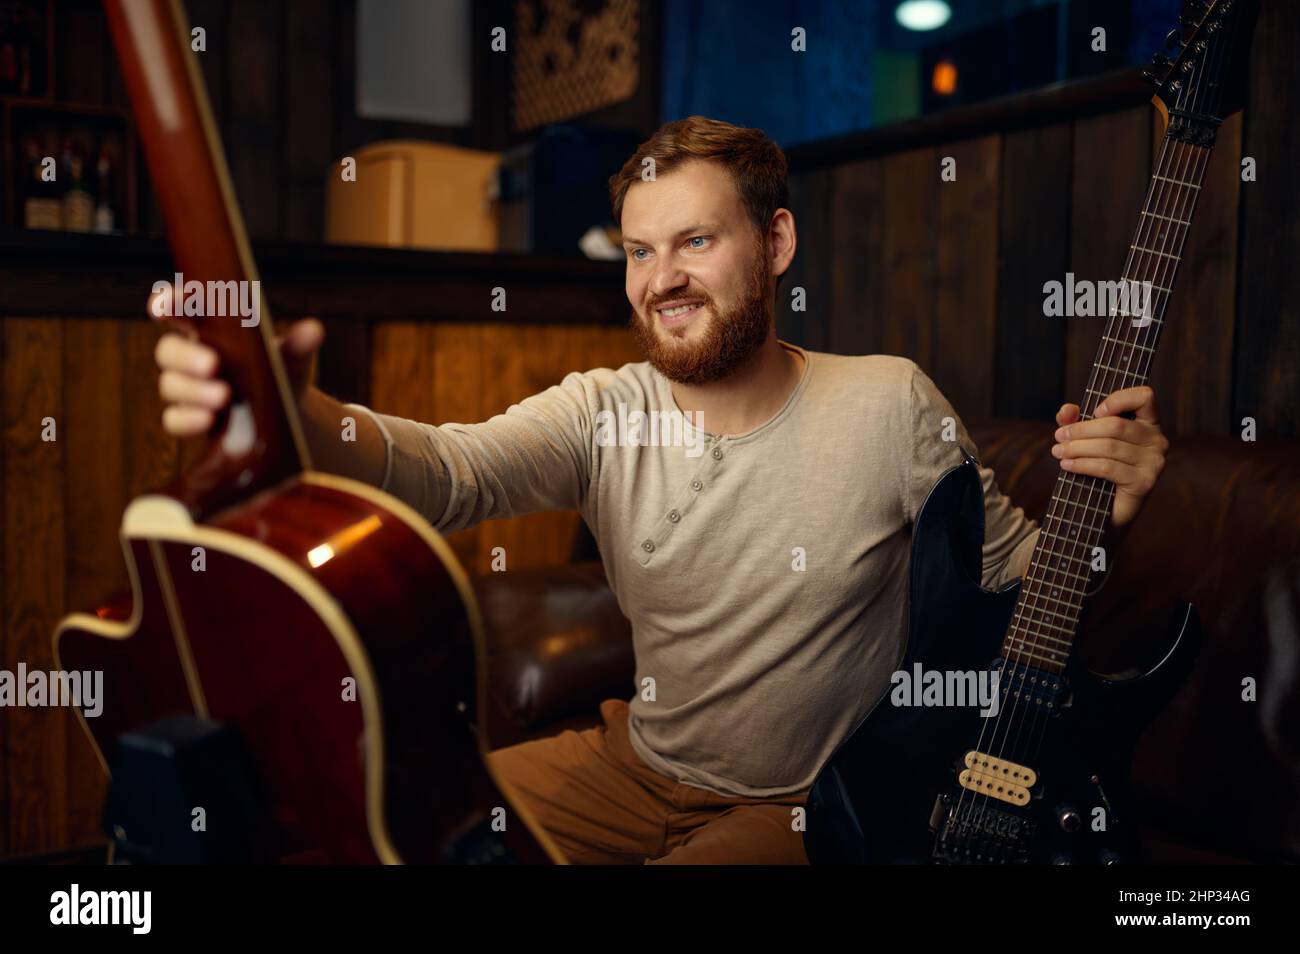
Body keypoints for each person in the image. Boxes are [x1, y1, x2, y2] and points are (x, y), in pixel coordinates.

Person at [153, 116, 1169, 864]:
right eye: (640, 250)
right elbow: (449, 472)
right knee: (416, 837)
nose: (660, 278)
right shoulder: (603, 410)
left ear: (774, 246)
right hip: (628, 766)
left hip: (801, 807)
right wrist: (298, 410)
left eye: (695, 241)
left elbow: (1019, 593)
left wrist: (1108, 514)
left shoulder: (887, 404)